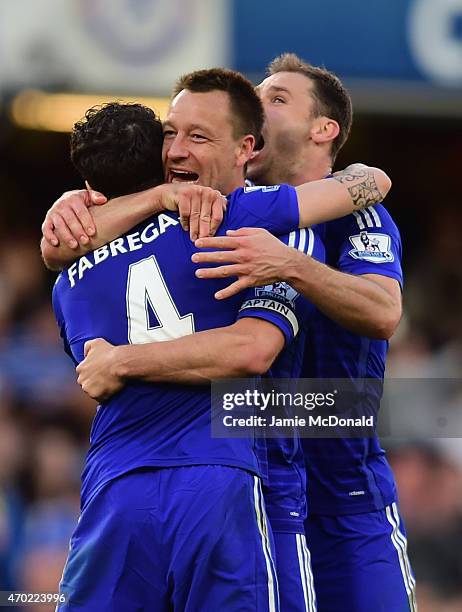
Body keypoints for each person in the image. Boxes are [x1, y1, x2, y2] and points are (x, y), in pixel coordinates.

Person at [48, 71, 390, 611]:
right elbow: (250, 349)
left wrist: (122, 361)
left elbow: (384, 309)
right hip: (233, 480)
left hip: (122, 487)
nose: (180, 149)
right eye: (170, 134)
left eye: (198, 136)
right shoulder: (245, 219)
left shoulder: (69, 277)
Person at [181, 54, 416, 611]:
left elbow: (384, 312)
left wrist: (289, 264)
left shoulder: (357, 214)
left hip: (346, 501)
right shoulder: (220, 209)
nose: (257, 105)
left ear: (323, 129)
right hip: (245, 493)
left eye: (277, 98)